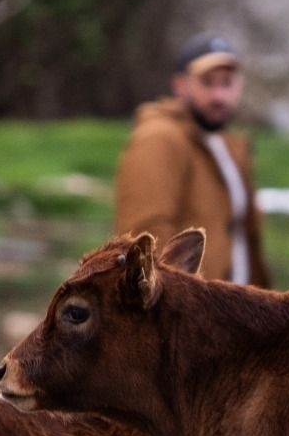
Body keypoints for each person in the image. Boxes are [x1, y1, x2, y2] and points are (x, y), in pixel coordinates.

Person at [112, 33, 272, 286]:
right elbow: (145, 236)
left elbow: (244, 238)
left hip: (235, 310)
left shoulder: (228, 145)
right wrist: (184, 307)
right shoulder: (159, 139)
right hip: (192, 313)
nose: (219, 96)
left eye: (227, 83)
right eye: (207, 83)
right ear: (180, 85)